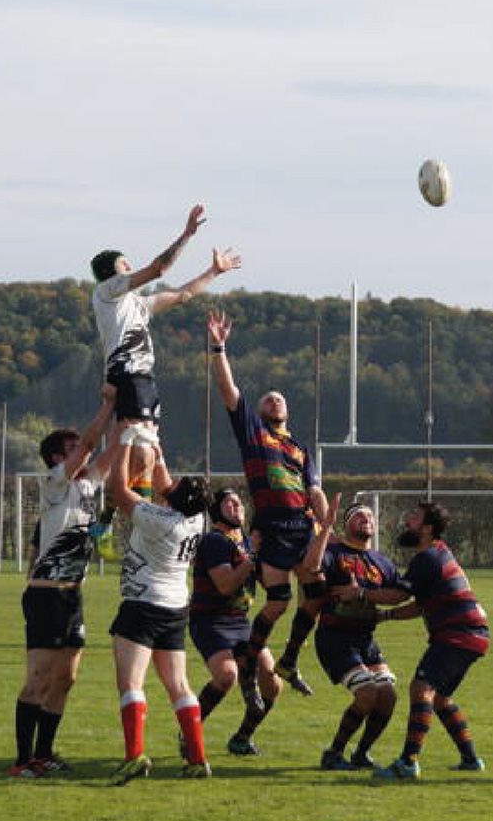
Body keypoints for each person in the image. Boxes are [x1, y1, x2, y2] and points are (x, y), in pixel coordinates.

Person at [206, 309, 332, 698]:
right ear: (260, 412)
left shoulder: (299, 448)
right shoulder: (253, 432)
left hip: (304, 525)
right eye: (267, 397)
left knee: (318, 596)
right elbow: (228, 389)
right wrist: (218, 347)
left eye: (279, 397)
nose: (274, 398)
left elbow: (315, 491)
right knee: (278, 602)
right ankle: (250, 663)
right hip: (274, 525)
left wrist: (328, 528)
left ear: (287, 412)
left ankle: (290, 660)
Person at [9, 402, 114, 778]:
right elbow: (92, 441)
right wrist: (108, 404)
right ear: (57, 458)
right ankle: (23, 761)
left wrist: (137, 420)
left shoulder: (88, 485)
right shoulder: (55, 482)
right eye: (72, 450)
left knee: (66, 678)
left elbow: (112, 447)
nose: (83, 452)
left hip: (72, 595)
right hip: (45, 594)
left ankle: (45, 753)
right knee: (38, 678)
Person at [349, 502, 488, 782]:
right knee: (440, 698)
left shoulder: (427, 558)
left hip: (457, 634)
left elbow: (399, 594)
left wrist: (360, 593)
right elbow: (420, 606)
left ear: (426, 528)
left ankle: (408, 763)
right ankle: (471, 759)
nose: (407, 521)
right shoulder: (438, 554)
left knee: (420, 689)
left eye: (413, 517)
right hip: (473, 635)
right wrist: (385, 617)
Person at [105, 441, 212, 785]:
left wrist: (122, 444)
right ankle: (197, 760)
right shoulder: (196, 519)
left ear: (176, 497)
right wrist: (158, 450)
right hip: (176, 605)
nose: (172, 481)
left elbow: (119, 492)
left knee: (131, 682)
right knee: (178, 684)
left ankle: (134, 756)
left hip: (142, 603)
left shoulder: (160, 520)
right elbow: (168, 489)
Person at [90, 204, 241, 435]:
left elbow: (182, 295)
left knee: (137, 446)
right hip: (128, 374)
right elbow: (159, 269)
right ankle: (81, 471)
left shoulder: (135, 304)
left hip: (139, 376)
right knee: (136, 443)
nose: (129, 266)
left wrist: (214, 271)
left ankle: (95, 471)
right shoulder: (106, 290)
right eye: (123, 262)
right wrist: (186, 236)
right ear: (110, 270)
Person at [187, 488, 283, 756]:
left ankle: (242, 738)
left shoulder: (247, 541)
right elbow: (226, 585)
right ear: (217, 509)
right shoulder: (214, 540)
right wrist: (253, 559)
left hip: (240, 621)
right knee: (227, 675)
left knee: (272, 681)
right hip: (210, 620)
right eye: (230, 502)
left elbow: (264, 579)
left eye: (240, 502)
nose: (238, 506)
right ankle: (189, 733)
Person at [313, 501, 402, 772]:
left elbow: (401, 594)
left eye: (370, 516)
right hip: (334, 636)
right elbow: (312, 567)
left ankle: (361, 754)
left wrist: (363, 594)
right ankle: (334, 753)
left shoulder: (382, 562)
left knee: (388, 694)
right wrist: (325, 530)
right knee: (367, 692)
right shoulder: (333, 552)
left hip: (365, 639)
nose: (366, 518)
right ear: (347, 524)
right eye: (358, 515)